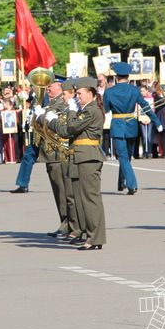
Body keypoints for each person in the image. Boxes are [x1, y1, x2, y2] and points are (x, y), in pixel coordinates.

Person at [44, 77, 106, 250]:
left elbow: (69, 129)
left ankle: (94, 237)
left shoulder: (91, 111)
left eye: (79, 93)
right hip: (81, 156)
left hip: (88, 157)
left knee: (90, 199)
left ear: (90, 93)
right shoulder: (86, 109)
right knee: (83, 199)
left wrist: (59, 117)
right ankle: (91, 236)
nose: (77, 97)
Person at [102, 61, 161, 195]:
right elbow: (145, 106)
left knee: (123, 156)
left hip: (117, 124)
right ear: (128, 77)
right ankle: (124, 182)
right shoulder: (134, 90)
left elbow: (105, 110)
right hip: (131, 124)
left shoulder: (110, 91)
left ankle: (131, 184)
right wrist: (156, 121)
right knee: (126, 156)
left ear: (116, 77)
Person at [35, 75, 76, 239]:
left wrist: (41, 116)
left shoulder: (62, 103)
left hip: (59, 153)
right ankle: (64, 223)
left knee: (64, 191)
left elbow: (56, 125)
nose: (47, 88)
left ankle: (69, 224)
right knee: (58, 191)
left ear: (60, 87)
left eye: (50, 85)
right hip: (51, 153)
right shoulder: (50, 103)